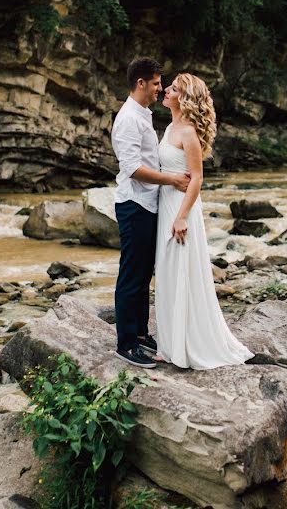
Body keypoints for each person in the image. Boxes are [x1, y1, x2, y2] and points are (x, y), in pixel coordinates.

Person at [154, 74, 254, 369]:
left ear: (183, 98)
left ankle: (187, 347)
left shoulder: (188, 132)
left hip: (181, 210)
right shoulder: (171, 126)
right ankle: (170, 345)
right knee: (168, 274)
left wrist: (182, 217)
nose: (166, 91)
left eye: (172, 89)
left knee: (181, 272)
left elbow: (197, 178)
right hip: (166, 205)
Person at [111, 57, 190, 368]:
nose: (160, 88)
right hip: (134, 204)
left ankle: (141, 333)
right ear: (141, 83)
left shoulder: (143, 113)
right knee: (131, 275)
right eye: (156, 83)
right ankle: (126, 343)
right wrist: (171, 178)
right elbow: (132, 168)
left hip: (148, 203)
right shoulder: (128, 118)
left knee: (143, 273)